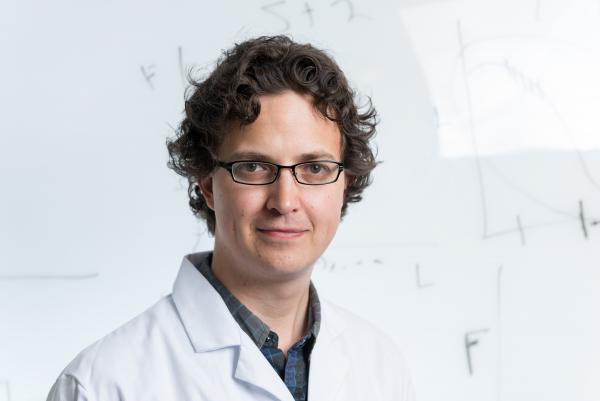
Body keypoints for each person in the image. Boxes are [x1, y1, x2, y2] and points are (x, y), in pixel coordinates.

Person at [46, 35, 415, 401]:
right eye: (253, 166)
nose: (285, 201)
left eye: (315, 167)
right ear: (207, 183)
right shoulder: (104, 385)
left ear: (344, 184)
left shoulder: (379, 366)